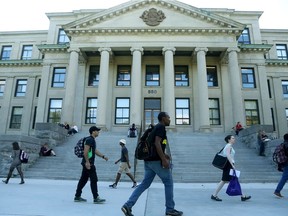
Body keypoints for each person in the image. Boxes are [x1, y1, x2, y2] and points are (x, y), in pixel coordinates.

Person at [121, 112, 183, 216]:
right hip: (156, 161)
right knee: (168, 182)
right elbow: (157, 143)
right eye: (168, 117)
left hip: (148, 161)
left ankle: (128, 205)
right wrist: (163, 159)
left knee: (145, 184)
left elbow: (154, 144)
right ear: (163, 119)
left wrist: (164, 154)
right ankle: (170, 209)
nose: (170, 120)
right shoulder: (160, 127)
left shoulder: (155, 128)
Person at [211, 135, 251, 202]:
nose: (234, 139)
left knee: (225, 180)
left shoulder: (229, 146)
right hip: (228, 165)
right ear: (229, 140)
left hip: (228, 165)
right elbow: (228, 155)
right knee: (231, 180)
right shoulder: (228, 146)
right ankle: (242, 196)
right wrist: (232, 165)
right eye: (233, 138)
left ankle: (214, 195)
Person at [74, 126, 108, 204]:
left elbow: (94, 150)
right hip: (88, 163)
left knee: (83, 180)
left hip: (87, 162)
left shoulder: (91, 140)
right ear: (93, 132)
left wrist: (103, 156)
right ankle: (96, 197)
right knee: (94, 179)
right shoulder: (89, 140)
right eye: (97, 131)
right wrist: (87, 162)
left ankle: (77, 196)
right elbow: (86, 152)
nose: (98, 132)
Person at [274, 133, 288, 198]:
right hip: (287, 162)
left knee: (284, 178)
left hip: (284, 162)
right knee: (284, 177)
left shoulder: (283, 144)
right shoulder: (287, 145)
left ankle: (277, 190)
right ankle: (277, 191)